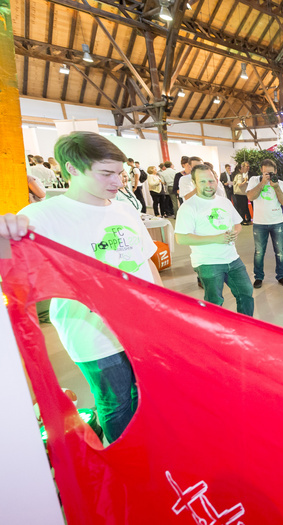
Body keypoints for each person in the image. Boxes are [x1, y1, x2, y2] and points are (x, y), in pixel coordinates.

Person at [1, 131, 163, 443]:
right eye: (106, 173)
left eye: (121, 173)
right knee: (117, 405)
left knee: (147, 397)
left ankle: (151, 455)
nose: (118, 182)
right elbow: (11, 272)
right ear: (72, 169)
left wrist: (163, 313)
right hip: (94, 336)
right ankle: (127, 470)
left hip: (143, 326)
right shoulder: (41, 216)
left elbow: (147, 261)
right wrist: (2, 240)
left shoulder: (124, 208)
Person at [174, 164, 254, 316]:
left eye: (211, 181)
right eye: (202, 181)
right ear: (195, 182)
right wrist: (216, 238)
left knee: (245, 292)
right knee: (214, 302)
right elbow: (181, 238)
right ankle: (216, 332)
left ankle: (245, 327)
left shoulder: (223, 202)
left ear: (216, 180)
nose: (208, 185)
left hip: (232, 258)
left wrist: (235, 232)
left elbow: (237, 224)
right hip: (207, 262)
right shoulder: (189, 207)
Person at [246, 159, 283, 288]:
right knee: (259, 252)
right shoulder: (255, 180)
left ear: (275, 171)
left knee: (280, 252)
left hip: (277, 222)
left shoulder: (280, 183)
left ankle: (281, 275)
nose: (268, 175)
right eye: (265, 172)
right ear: (261, 171)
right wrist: (262, 183)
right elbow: (250, 197)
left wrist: (275, 187)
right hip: (259, 223)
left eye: (270, 173)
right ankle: (258, 277)